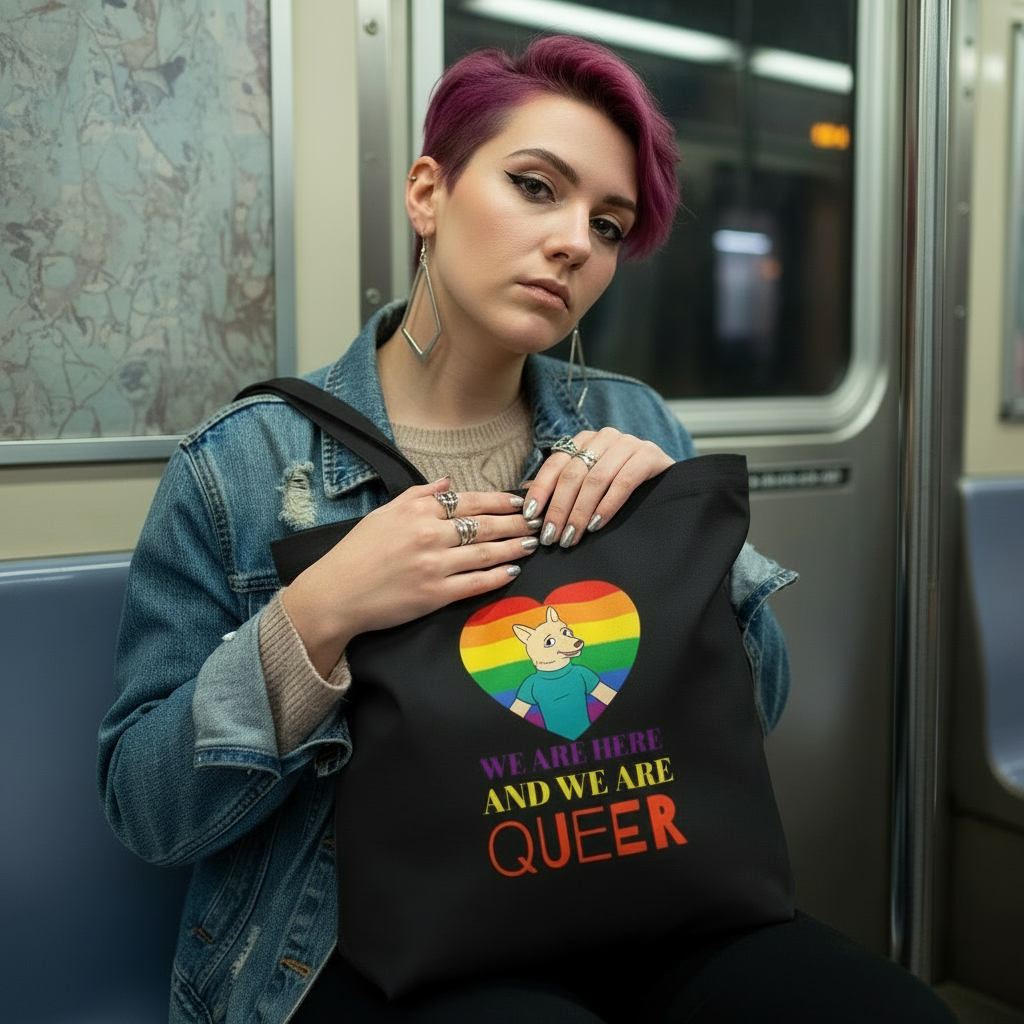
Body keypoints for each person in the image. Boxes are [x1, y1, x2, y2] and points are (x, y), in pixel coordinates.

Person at [97, 35, 954, 1024]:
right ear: (428, 193)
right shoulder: (242, 464)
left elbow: (751, 711)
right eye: (536, 187)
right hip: (348, 933)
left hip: (637, 890)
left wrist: (685, 542)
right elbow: (146, 809)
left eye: (607, 224)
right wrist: (320, 612)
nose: (574, 243)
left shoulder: (632, 422)